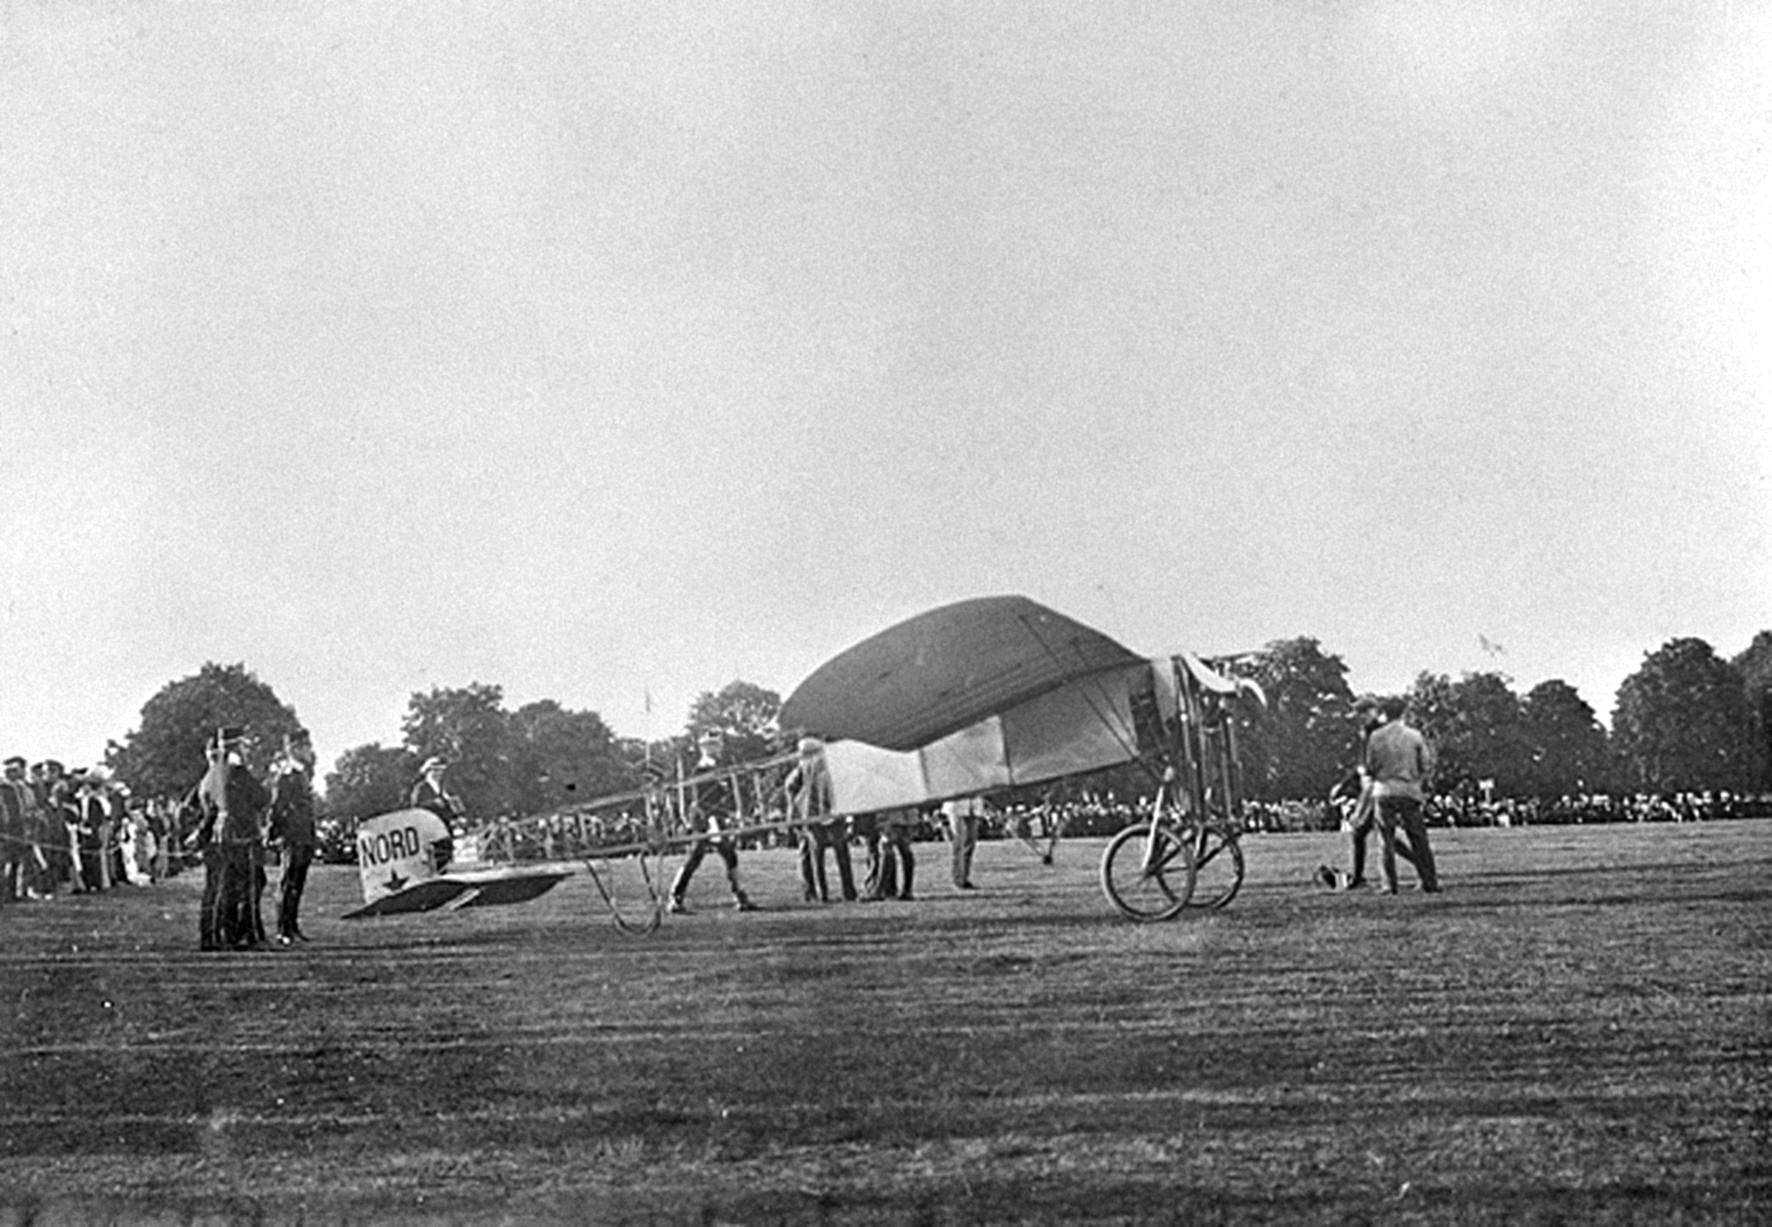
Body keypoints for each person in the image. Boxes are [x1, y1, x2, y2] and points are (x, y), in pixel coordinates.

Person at [191, 726, 270, 950]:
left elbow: (206, 808)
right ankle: (245, 935)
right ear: (236, 746)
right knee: (246, 887)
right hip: (238, 837)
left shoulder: (208, 776)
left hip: (215, 838)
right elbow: (261, 798)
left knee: (215, 889)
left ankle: (212, 936)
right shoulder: (237, 772)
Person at [666, 730, 757, 914]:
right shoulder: (701, 770)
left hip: (715, 818)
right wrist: (713, 820)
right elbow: (701, 800)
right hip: (705, 819)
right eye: (714, 745)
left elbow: (726, 794)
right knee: (696, 858)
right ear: (706, 748)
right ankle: (675, 898)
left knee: (726, 856)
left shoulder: (719, 768)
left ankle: (739, 895)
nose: (718, 748)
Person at [1365, 697, 1441, 894]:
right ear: (1404, 713)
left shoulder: (1375, 737)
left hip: (1384, 789)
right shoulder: (1414, 736)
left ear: (1384, 713)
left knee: (1385, 839)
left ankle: (1389, 884)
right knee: (1418, 837)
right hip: (1409, 789)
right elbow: (1425, 764)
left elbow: (1370, 766)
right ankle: (1429, 881)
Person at [1317, 699, 1385, 891]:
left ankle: (1357, 878)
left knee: (1360, 833)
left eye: (1359, 713)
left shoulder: (1376, 733)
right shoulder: (1366, 733)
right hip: (1371, 786)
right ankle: (1424, 869)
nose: (1356, 718)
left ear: (1370, 712)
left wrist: (1348, 783)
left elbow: (1370, 765)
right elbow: (1361, 766)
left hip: (1375, 787)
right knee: (1382, 834)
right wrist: (1345, 783)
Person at [785, 736, 855, 903]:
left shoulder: (803, 766)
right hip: (834, 810)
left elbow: (789, 785)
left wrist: (795, 805)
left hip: (812, 814)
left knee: (816, 855)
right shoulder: (834, 763)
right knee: (842, 853)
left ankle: (820, 893)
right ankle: (849, 892)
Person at [267, 731, 318, 944]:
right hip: (292, 834)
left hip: (304, 833)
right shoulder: (286, 775)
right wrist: (273, 833)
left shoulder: (303, 773)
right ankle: (283, 929)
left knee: (298, 882)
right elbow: (277, 806)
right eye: (305, 747)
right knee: (288, 883)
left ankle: (292, 925)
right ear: (294, 749)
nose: (309, 751)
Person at [410, 757, 465, 871]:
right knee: (435, 855)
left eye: (440, 771)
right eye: (435, 771)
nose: (438, 774)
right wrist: (433, 803)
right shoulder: (421, 788)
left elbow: (449, 806)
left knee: (447, 852)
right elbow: (416, 807)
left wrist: (456, 815)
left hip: (445, 827)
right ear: (428, 771)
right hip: (430, 828)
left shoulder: (442, 789)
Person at [943, 795, 985, 891]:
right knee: (959, 842)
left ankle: (964, 877)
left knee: (970, 842)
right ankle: (958, 879)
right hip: (957, 804)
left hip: (974, 805)